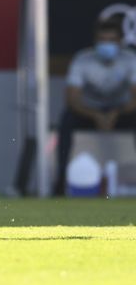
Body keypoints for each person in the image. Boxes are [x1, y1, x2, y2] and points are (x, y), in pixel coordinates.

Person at [53, 18, 136, 196]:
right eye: (102, 40)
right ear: (95, 41)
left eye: (111, 40)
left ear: (120, 42)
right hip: (89, 112)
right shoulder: (83, 60)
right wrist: (96, 115)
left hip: (122, 111)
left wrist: (116, 112)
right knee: (66, 121)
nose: (106, 44)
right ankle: (60, 182)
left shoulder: (130, 60)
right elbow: (72, 99)